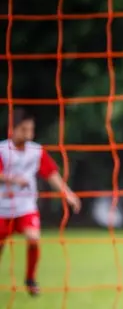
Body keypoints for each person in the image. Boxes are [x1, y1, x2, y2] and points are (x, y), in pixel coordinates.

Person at [0, 109, 81, 296]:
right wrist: (12, 179)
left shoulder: (36, 152)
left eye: (31, 130)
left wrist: (67, 193)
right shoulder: (2, 150)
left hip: (25, 207)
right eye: (24, 129)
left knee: (34, 238)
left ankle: (30, 279)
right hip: (2, 208)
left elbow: (51, 173)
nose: (28, 134)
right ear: (13, 129)